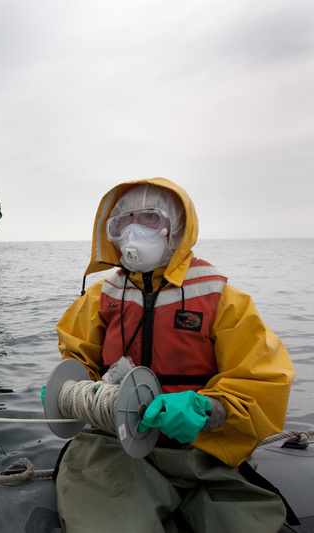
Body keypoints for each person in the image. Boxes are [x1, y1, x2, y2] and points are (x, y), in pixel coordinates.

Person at [52, 178, 295, 532]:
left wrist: (208, 408)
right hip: (115, 447)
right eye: (124, 220)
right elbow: (76, 357)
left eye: (149, 217)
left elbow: (261, 379)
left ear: (176, 227)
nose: (134, 229)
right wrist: (66, 390)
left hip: (206, 452)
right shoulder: (99, 298)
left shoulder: (222, 299)